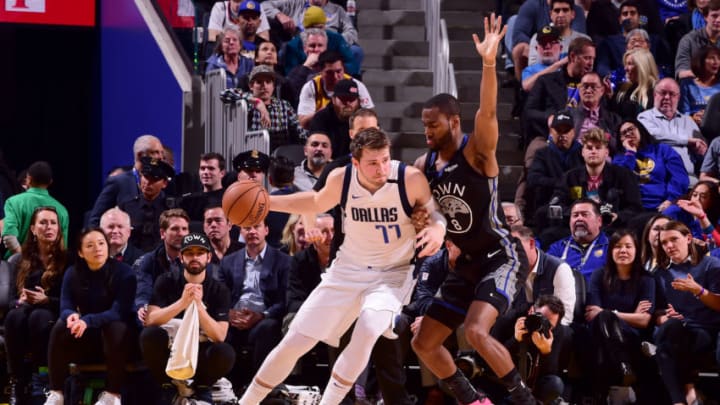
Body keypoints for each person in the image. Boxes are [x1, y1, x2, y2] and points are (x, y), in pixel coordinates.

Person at [238, 127, 446, 405]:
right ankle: (247, 402)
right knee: (295, 341)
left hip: (392, 273)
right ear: (356, 162)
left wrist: (437, 230)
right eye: (373, 162)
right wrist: (265, 202)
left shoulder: (409, 179)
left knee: (370, 327)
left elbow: (435, 213)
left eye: (385, 159)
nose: (381, 168)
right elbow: (313, 201)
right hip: (347, 270)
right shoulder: (342, 178)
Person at [412, 16, 534, 404]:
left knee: (477, 332)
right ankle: (473, 400)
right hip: (464, 261)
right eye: (424, 126)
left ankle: (524, 398)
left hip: (501, 254)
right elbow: (421, 212)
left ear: (453, 121)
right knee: (423, 342)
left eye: (433, 126)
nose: (427, 132)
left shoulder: (478, 152)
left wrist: (486, 64)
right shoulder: (422, 166)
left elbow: (488, 111)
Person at [44, 228, 137, 405]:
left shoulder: (125, 273)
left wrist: (87, 320)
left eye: (101, 243)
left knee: (115, 326)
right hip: (89, 337)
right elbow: (65, 304)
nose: (98, 249)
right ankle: (56, 393)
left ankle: (113, 394)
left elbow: (119, 312)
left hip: (121, 340)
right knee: (60, 325)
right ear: (80, 252)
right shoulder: (73, 273)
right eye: (90, 245)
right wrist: (70, 315)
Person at [140, 232, 236, 404]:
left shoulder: (219, 289)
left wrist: (198, 306)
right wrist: (182, 302)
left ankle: (201, 388)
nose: (195, 257)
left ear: (208, 257)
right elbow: (150, 320)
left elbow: (219, 335)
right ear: (181, 257)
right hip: (172, 348)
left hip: (201, 350)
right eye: (189, 253)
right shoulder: (166, 281)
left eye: (199, 253)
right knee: (149, 336)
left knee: (225, 352)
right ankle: (167, 386)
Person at [218, 219, 294, 387]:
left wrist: (261, 315)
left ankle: (261, 387)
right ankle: (227, 388)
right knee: (220, 330)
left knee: (267, 329)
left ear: (266, 230)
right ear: (241, 233)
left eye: (257, 227)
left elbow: (285, 299)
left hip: (265, 317)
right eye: (247, 228)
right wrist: (228, 313)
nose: (252, 231)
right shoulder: (228, 262)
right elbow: (219, 296)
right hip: (235, 318)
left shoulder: (284, 261)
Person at [654, 220, 720, 405]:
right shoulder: (660, 274)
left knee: (667, 343)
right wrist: (663, 317)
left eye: (674, 239)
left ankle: (685, 393)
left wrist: (697, 290)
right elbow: (658, 311)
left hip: (706, 330)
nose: (669, 246)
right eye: (664, 243)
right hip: (677, 329)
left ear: (688, 238)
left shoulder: (711, 265)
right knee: (670, 330)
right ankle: (683, 399)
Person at [5, 207, 67, 402]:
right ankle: (18, 381)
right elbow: (9, 301)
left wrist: (47, 300)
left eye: (53, 223)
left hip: (55, 311)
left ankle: (43, 378)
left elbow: (70, 301)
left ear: (59, 228)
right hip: (25, 312)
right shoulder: (18, 260)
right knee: (14, 316)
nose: (49, 227)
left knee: (39, 317)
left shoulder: (68, 260)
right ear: (32, 229)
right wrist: (20, 301)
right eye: (43, 222)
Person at [584, 230, 655, 397]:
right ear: (610, 252)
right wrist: (631, 316)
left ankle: (598, 395)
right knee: (602, 321)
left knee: (605, 318)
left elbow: (644, 321)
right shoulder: (599, 275)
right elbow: (591, 315)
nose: (623, 250)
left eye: (628, 246)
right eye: (617, 247)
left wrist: (612, 313)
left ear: (637, 250)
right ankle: (622, 364)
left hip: (631, 337)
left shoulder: (647, 279)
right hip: (599, 332)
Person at [524, 37, 596, 145]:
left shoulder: (594, 85)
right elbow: (529, 111)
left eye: (593, 59)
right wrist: (548, 117)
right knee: (536, 149)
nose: (591, 63)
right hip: (547, 137)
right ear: (572, 57)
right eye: (586, 58)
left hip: (583, 140)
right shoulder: (547, 81)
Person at [638, 77, 707, 186]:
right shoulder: (644, 117)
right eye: (663, 93)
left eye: (672, 94)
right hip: (657, 179)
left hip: (688, 179)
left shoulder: (689, 122)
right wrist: (687, 141)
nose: (667, 97)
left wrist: (700, 150)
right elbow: (654, 135)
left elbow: (702, 149)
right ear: (655, 95)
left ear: (678, 97)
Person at [506, 295, 573, 404]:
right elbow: (495, 358)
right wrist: (515, 339)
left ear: (556, 325)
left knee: (556, 384)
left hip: (535, 387)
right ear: (531, 310)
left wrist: (545, 351)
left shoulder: (558, 332)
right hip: (510, 381)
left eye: (548, 324)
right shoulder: (513, 319)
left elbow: (552, 374)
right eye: (540, 317)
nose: (542, 325)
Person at [87, 135, 164, 227]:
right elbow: (95, 220)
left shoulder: (163, 183)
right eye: (155, 152)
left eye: (161, 153)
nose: (160, 157)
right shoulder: (118, 182)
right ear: (140, 155)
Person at [613, 119, 689, 211]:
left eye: (631, 129)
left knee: (674, 212)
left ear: (640, 130)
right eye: (624, 133)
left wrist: (670, 199)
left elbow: (679, 177)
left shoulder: (662, 150)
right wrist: (630, 153)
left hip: (663, 205)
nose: (628, 134)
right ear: (620, 140)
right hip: (633, 208)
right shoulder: (619, 158)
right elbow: (621, 181)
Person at [134, 209, 191, 325]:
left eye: (184, 229)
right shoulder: (149, 260)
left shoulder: (196, 259)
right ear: (162, 233)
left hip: (187, 314)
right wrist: (142, 306)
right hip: (159, 314)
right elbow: (143, 288)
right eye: (175, 229)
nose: (180, 233)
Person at [2, 161, 70, 258]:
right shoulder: (62, 210)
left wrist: (23, 259)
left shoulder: (13, 202)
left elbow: (9, 237)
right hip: (49, 268)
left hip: (16, 267)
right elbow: (62, 247)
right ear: (50, 182)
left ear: (28, 179)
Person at [511, 226, 577, 325]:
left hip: (552, 326)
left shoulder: (559, 268)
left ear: (532, 243)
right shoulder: (509, 270)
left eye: (516, 247)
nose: (512, 253)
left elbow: (565, 318)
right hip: (521, 324)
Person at [526, 110, 584, 222]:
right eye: (558, 130)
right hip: (548, 207)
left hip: (577, 206)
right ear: (551, 132)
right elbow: (533, 179)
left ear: (573, 132)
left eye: (566, 130)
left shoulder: (582, 153)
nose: (562, 135)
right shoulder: (542, 154)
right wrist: (563, 183)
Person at [296, 51, 373, 128]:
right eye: (329, 73)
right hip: (321, 131)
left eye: (338, 71)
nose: (335, 77)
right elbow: (303, 123)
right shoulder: (311, 87)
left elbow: (370, 117)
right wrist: (328, 110)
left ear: (344, 69)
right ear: (320, 72)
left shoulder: (356, 86)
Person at [119, 157, 175, 252]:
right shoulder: (126, 206)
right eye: (145, 177)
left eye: (154, 179)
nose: (148, 183)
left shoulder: (172, 209)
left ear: (164, 183)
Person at [547, 199, 610, 283]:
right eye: (575, 215)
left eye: (585, 215)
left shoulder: (610, 247)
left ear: (599, 221)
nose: (579, 218)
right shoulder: (558, 248)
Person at [246, 65, 307, 152]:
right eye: (259, 82)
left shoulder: (284, 106)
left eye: (268, 82)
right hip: (254, 155)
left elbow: (301, 132)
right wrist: (257, 102)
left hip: (280, 157)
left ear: (273, 86)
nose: (264, 86)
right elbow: (225, 94)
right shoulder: (246, 104)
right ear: (251, 86)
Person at [309, 79, 363, 158]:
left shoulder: (365, 119)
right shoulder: (320, 119)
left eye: (351, 99)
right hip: (328, 166)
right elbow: (317, 150)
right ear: (333, 100)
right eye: (343, 99)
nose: (348, 103)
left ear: (358, 101)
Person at [527, 0, 591, 66]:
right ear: (551, 14)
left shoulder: (584, 40)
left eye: (565, 10)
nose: (561, 15)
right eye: (557, 11)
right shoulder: (537, 38)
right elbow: (533, 69)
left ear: (573, 14)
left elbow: (587, 67)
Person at [609, 48, 660, 120]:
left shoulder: (657, 90)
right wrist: (610, 98)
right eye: (625, 64)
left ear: (642, 66)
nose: (625, 68)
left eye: (630, 64)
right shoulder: (621, 89)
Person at [675, 0, 720, 79]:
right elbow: (681, 72)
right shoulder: (688, 40)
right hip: (696, 86)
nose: (718, 20)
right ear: (705, 17)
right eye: (714, 16)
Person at [679, 45, 720, 125]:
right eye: (712, 58)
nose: (716, 62)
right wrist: (693, 118)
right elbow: (683, 113)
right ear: (701, 60)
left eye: (719, 58)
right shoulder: (687, 84)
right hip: (692, 127)